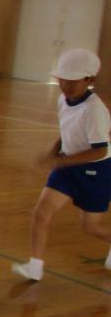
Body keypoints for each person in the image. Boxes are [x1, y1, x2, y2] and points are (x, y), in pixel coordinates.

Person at [13, 49, 111, 281]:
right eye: (62, 79)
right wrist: (53, 153)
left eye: (72, 80)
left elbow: (100, 150)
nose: (65, 84)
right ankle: (35, 267)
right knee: (41, 213)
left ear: (89, 80)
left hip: (96, 171)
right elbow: (67, 131)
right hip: (67, 167)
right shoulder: (63, 101)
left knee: (90, 227)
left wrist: (61, 160)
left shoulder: (94, 110)